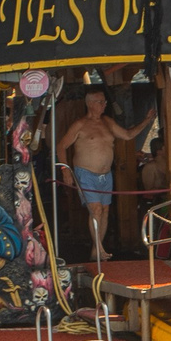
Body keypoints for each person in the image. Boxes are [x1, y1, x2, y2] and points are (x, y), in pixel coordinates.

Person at [56, 84, 144, 261]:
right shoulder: (80, 124)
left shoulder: (107, 122)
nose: (104, 104)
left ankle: (98, 249)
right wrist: (65, 169)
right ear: (90, 104)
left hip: (106, 175)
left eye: (104, 101)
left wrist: (147, 121)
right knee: (95, 209)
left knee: (104, 210)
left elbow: (127, 135)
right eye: (100, 102)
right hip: (86, 173)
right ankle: (98, 248)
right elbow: (61, 146)